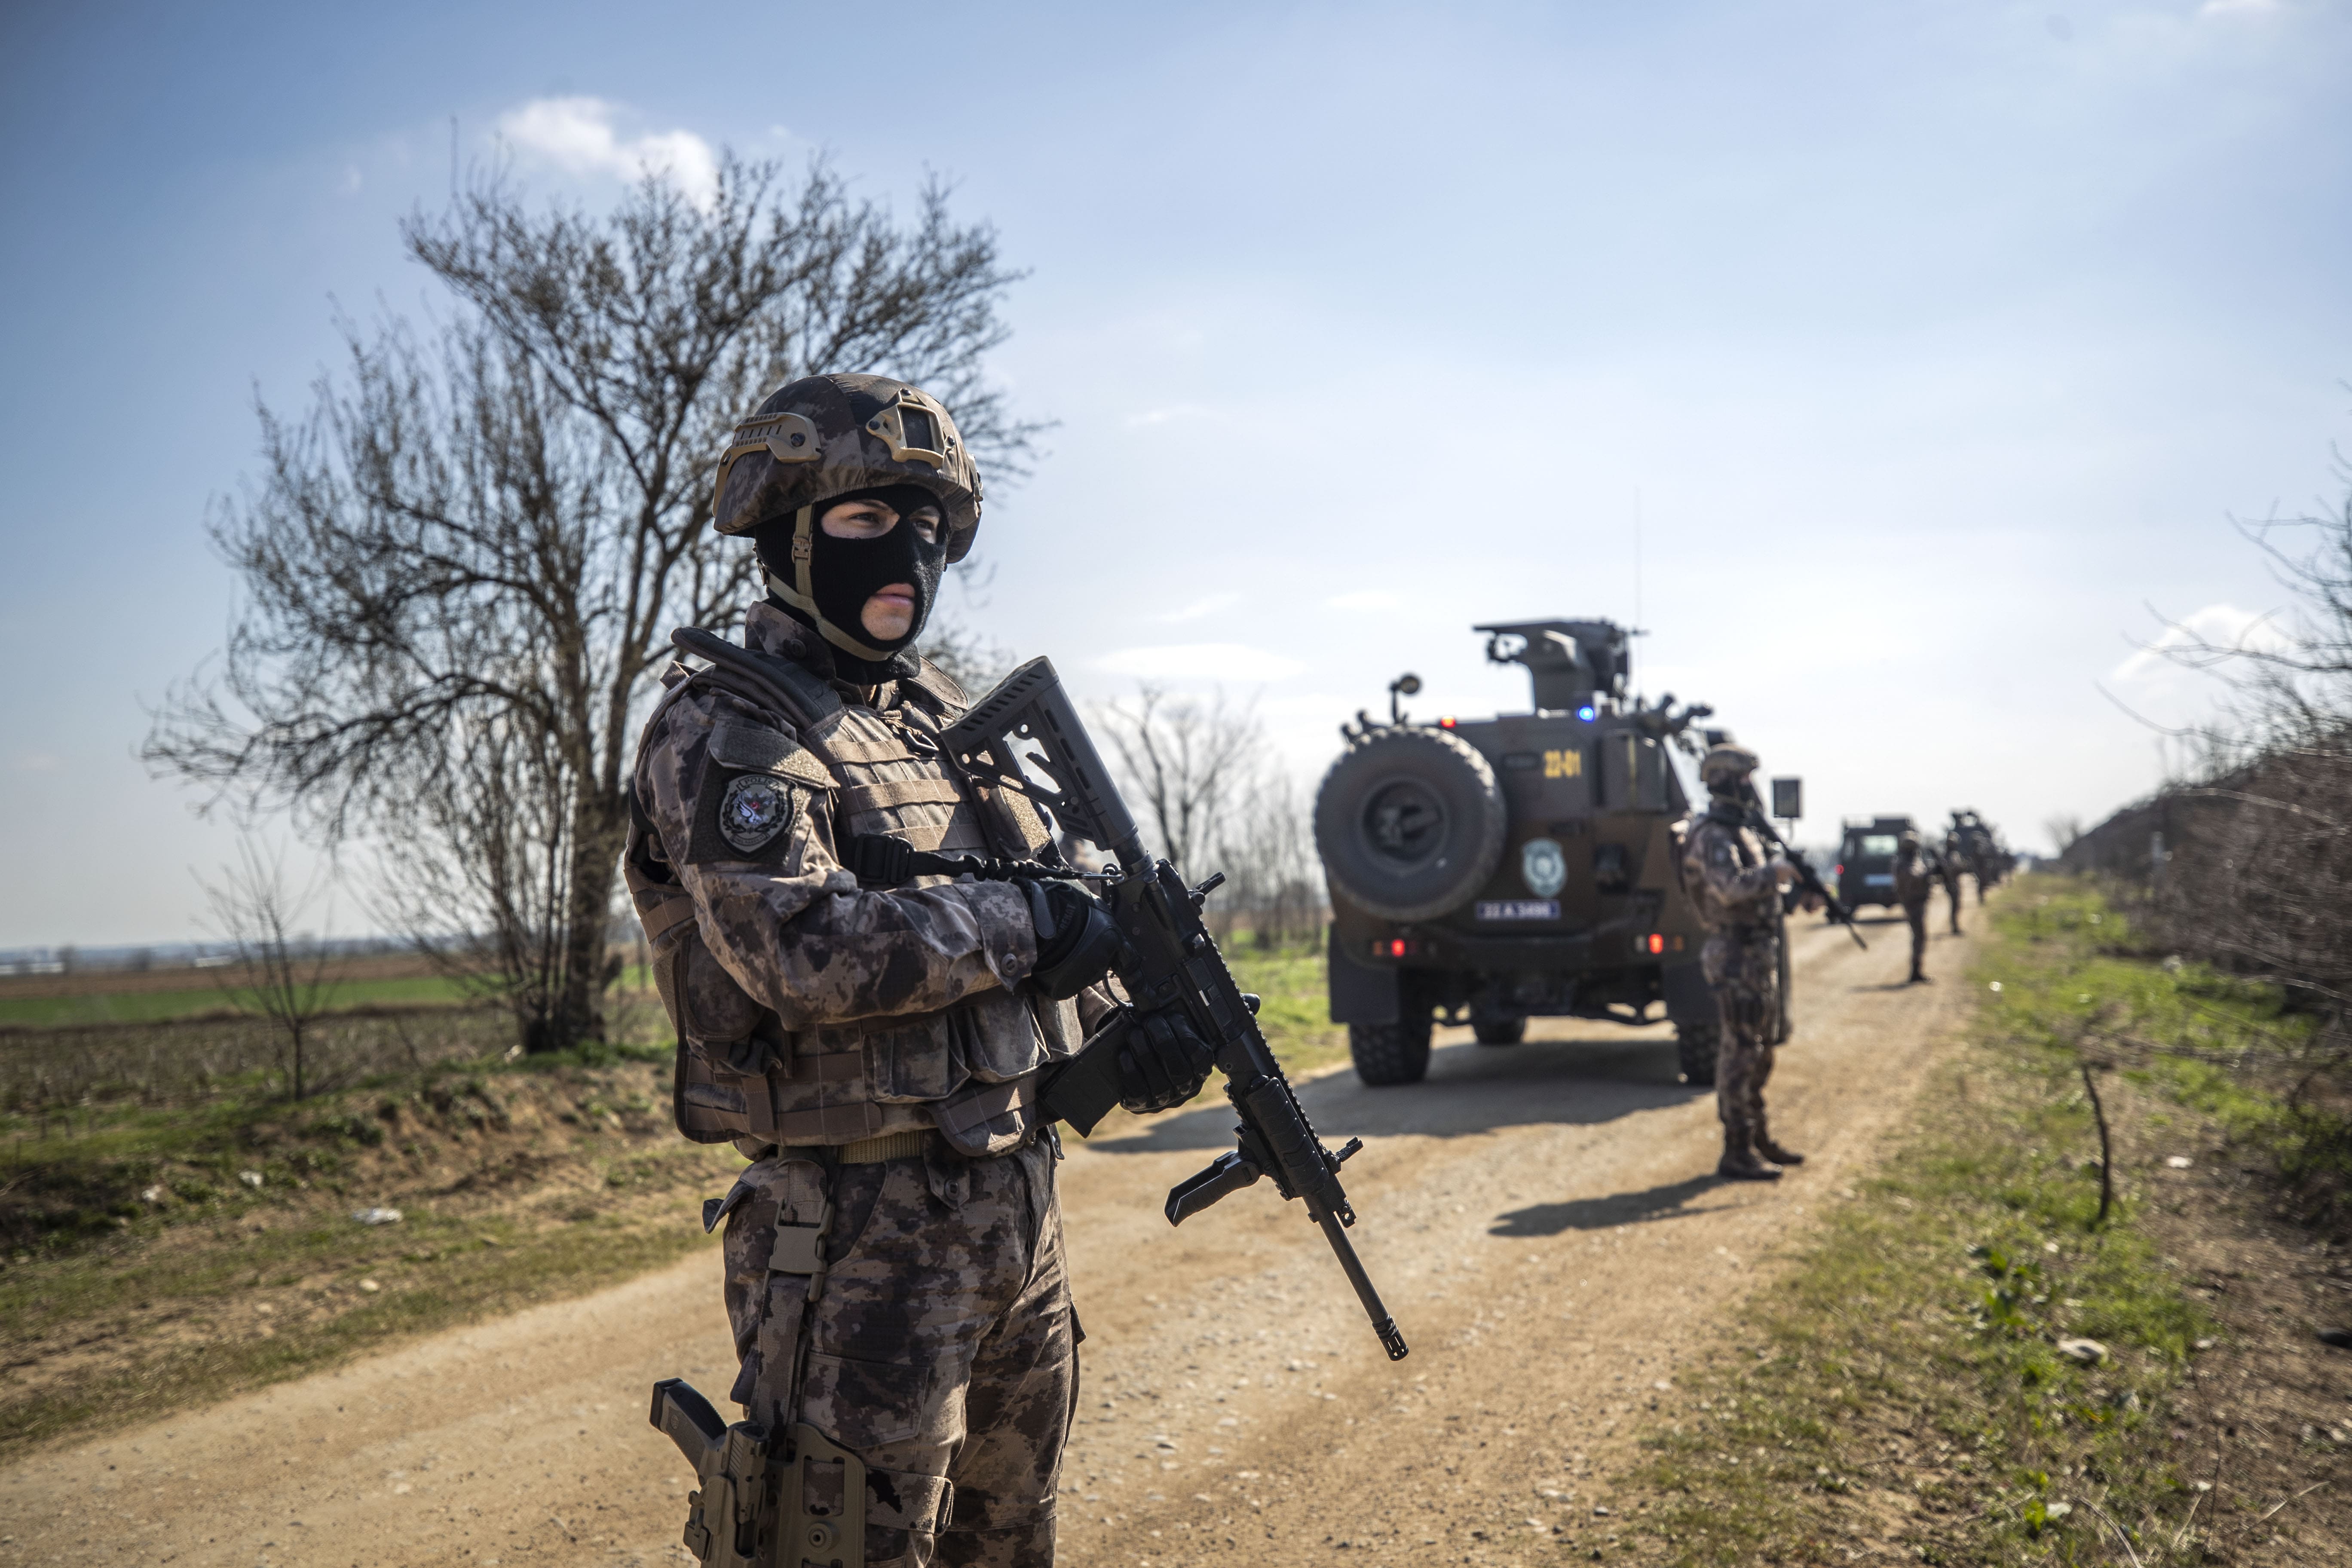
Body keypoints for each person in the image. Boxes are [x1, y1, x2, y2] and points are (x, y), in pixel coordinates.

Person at [623, 374, 1216, 1566]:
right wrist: (1027, 924)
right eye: (865, 519)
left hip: (1016, 1222)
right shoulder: (728, 728)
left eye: (930, 529)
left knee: (1010, 1544)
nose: (907, 553)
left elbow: (1057, 921)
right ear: (787, 536)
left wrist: (1128, 1030)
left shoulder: (944, 723)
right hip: (857, 1242)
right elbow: (802, 952)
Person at [1679, 743, 1807, 1182]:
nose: (1751, 787)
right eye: (1744, 779)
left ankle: (1757, 1137)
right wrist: (1775, 873)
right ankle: (1736, 1149)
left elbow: (1757, 893)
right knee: (1739, 1053)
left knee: (1760, 1050)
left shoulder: (1743, 831)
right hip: (1734, 957)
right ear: (1724, 782)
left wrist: (1791, 895)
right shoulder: (1713, 834)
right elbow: (1729, 888)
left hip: (1755, 953)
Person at [1893, 829, 1935, 984]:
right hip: (1913, 904)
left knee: (1920, 937)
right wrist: (1929, 871)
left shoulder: (1907, 861)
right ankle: (1915, 972)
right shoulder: (1905, 863)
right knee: (1919, 937)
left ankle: (1917, 971)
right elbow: (1914, 877)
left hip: (1916, 903)